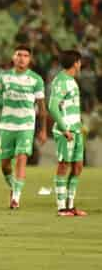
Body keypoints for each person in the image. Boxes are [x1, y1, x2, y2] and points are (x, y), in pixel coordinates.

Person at [0, 45, 47, 209]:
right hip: (6, 126)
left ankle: (16, 198)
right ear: (13, 57)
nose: (22, 58)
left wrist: (43, 129)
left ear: (30, 59)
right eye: (19, 55)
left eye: (26, 55)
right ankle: (14, 186)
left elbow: (42, 107)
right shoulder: (3, 77)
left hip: (26, 126)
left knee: (21, 158)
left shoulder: (36, 80)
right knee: (4, 165)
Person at [48, 50, 87, 217]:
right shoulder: (61, 81)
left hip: (76, 129)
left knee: (78, 166)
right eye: (80, 62)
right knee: (63, 165)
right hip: (66, 131)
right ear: (76, 63)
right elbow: (52, 106)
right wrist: (64, 129)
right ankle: (61, 207)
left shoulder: (70, 80)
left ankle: (70, 205)